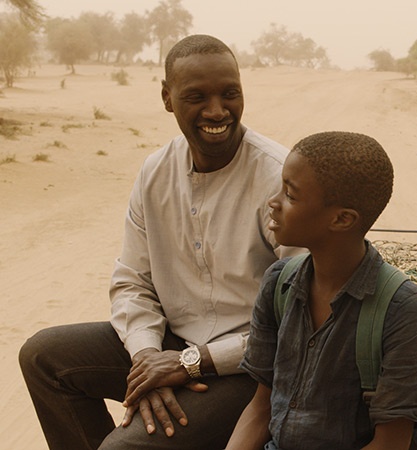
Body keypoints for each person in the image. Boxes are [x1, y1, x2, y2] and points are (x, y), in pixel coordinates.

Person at [19, 34, 299, 449]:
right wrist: (147, 359)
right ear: (167, 98)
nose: (217, 110)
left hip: (248, 368)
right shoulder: (155, 172)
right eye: (197, 97)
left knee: (122, 447)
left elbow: (299, 317)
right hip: (170, 344)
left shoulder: (278, 177)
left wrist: (188, 364)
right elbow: (133, 281)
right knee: (44, 357)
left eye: (230, 93)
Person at [225, 131, 417, 450]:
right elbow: (261, 408)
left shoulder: (403, 311)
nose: (273, 202)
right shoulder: (279, 283)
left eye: (290, 195)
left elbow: (391, 443)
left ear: (342, 219)